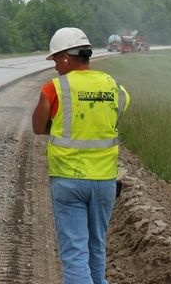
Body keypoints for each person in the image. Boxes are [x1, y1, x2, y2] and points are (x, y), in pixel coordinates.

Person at [31, 27, 130, 284]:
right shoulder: (113, 85)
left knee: (75, 254)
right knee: (96, 247)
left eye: (55, 59)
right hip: (104, 181)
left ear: (67, 57)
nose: (54, 66)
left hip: (69, 180)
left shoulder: (55, 88)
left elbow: (38, 127)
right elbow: (117, 112)